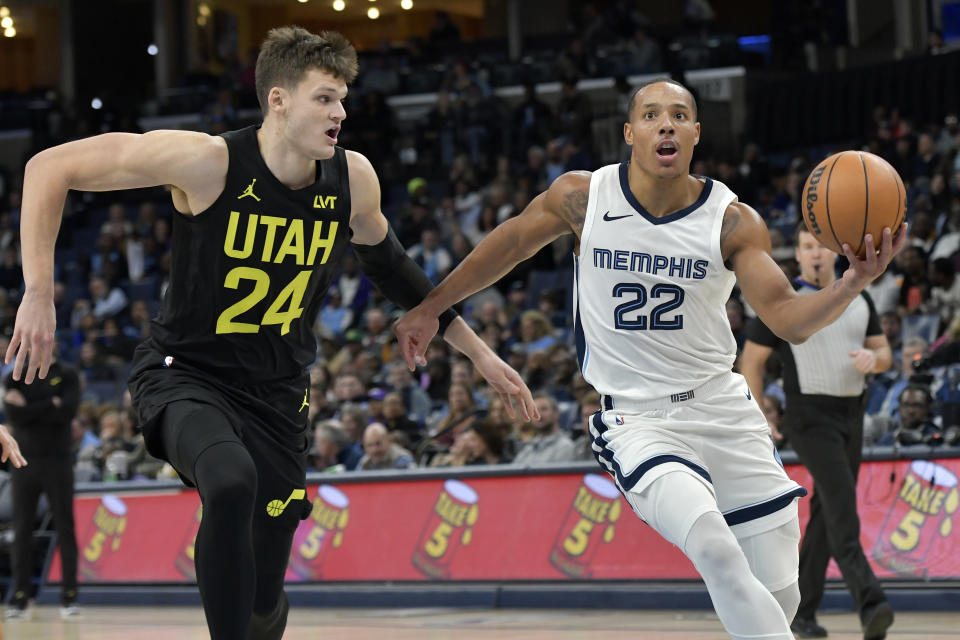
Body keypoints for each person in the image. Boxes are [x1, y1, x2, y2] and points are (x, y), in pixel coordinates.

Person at [7, 27, 536, 640]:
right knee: (230, 481)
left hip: (279, 394)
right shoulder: (208, 162)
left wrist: (479, 353)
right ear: (278, 99)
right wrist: (39, 291)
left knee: (263, 602)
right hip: (186, 375)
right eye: (324, 98)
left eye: (342, 99)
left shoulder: (353, 178)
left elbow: (393, 266)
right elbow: (50, 165)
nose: (340, 112)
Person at [395, 79, 906, 640]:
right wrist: (432, 307)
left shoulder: (732, 220)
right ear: (630, 133)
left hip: (723, 410)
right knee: (713, 546)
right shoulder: (584, 196)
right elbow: (512, 243)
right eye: (652, 114)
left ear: (695, 135)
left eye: (680, 115)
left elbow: (786, 317)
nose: (666, 123)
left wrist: (855, 280)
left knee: (779, 596)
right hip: (639, 420)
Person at [740, 225, 893, 638]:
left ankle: (801, 615)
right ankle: (872, 602)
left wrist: (872, 359)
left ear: (832, 253)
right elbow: (750, 363)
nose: (815, 254)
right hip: (808, 418)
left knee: (827, 517)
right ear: (799, 256)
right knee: (842, 507)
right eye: (807, 248)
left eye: (821, 247)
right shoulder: (782, 303)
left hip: (852, 414)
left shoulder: (860, 299)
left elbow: (884, 353)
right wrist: (760, 417)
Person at [3, 355, 79, 620]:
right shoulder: (14, 376)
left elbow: (67, 410)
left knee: (65, 527)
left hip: (58, 461)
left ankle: (69, 596)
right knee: (21, 529)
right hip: (23, 461)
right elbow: (14, 414)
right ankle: (20, 597)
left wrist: (30, 407)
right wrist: (49, 404)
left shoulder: (67, 373)